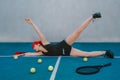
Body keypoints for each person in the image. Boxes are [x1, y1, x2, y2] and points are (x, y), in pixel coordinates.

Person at [14, 12, 114, 58]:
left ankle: (92, 16)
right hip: (67, 52)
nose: (33, 48)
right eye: (33, 48)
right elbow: (29, 54)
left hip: (64, 44)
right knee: (86, 54)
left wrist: (32, 23)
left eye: (33, 46)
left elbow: (38, 31)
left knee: (78, 32)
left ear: (38, 44)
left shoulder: (44, 42)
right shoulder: (41, 53)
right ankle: (105, 52)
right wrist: (21, 54)